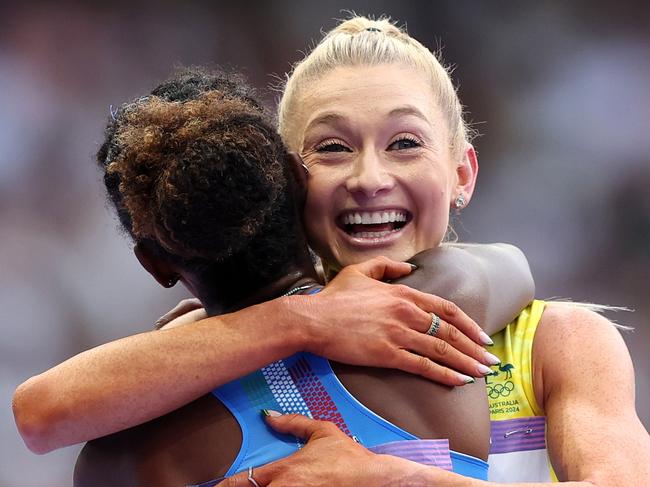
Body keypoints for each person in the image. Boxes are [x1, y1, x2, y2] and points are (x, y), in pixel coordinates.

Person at [213, 15, 649, 486]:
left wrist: (391, 479)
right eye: (333, 148)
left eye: (404, 143)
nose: (370, 180)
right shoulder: (236, 357)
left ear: (462, 173)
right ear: (287, 184)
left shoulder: (557, 344)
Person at [69, 69, 525, 485]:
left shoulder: (120, 454)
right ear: (297, 179)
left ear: (155, 264)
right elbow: (513, 263)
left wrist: (212, 332)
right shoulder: (436, 299)